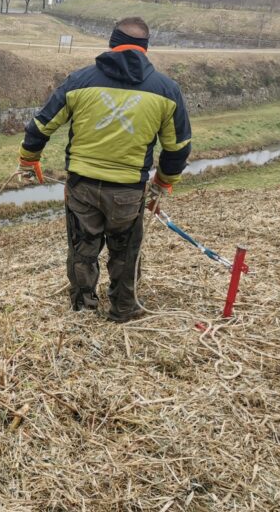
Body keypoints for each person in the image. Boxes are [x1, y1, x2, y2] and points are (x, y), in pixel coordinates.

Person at [18, 17, 191, 322]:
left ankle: (83, 309)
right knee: (125, 253)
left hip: (82, 188)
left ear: (112, 44)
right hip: (128, 193)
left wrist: (28, 159)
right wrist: (163, 183)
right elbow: (177, 149)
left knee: (82, 251)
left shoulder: (79, 81)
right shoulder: (167, 90)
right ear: (145, 50)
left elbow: (42, 125)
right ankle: (124, 308)